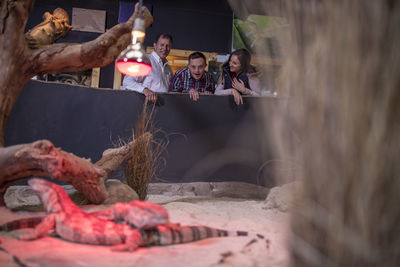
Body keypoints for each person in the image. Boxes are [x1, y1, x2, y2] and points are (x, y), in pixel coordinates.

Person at [121, 33, 173, 102]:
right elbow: (127, 82)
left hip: (163, 108)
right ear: (155, 45)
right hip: (145, 106)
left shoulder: (168, 69)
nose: (165, 48)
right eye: (162, 45)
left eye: (168, 46)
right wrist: (145, 90)